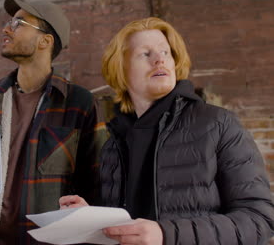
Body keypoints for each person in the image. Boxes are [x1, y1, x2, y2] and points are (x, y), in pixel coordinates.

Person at [59, 17, 274, 244]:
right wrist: (89, 218)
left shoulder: (218, 124)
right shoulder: (114, 143)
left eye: (166, 52)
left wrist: (166, 234)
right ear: (121, 68)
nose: (159, 59)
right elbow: (124, 224)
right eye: (145, 54)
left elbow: (259, 220)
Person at [0, 0, 107, 245]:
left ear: (45, 41)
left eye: (18, 23)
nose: (6, 28)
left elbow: (99, 185)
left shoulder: (79, 103)